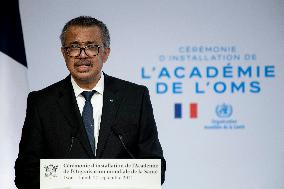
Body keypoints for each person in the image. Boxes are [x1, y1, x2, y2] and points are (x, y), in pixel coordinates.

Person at [14, 16, 166, 188]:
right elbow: (25, 172)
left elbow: (155, 167)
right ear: (64, 53)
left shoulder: (134, 97)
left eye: (91, 47)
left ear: (105, 53)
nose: (82, 55)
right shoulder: (41, 103)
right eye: (74, 47)